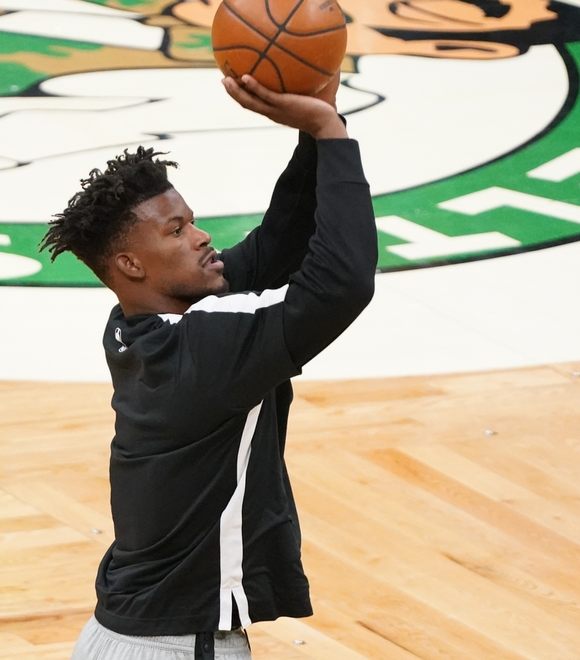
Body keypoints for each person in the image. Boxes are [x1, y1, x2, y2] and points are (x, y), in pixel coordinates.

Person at [39, 70, 376, 659]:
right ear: (132, 264)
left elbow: (277, 246)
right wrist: (330, 135)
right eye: (176, 230)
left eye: (191, 220)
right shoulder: (201, 349)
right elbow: (340, 285)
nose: (201, 236)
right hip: (178, 646)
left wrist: (315, 130)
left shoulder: (138, 324)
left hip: (125, 638)